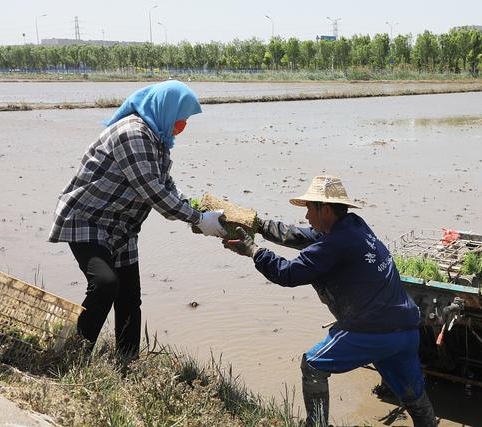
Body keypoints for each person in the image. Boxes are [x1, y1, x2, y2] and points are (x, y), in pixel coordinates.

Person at [224, 175, 437, 427]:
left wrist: (254, 251)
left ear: (324, 210)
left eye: (308, 210)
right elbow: (300, 236)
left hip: (372, 330)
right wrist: (259, 225)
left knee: (313, 364)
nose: (306, 217)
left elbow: (287, 274)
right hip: (406, 329)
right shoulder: (355, 226)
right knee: (412, 394)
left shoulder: (334, 244)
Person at [48, 80, 226, 358]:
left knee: (130, 297)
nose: (182, 125)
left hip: (121, 227)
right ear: (165, 109)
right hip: (87, 220)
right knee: (106, 284)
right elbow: (153, 192)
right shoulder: (133, 134)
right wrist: (198, 219)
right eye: (181, 117)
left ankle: (127, 363)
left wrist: (194, 208)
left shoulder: (158, 140)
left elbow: (166, 184)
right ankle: (70, 354)